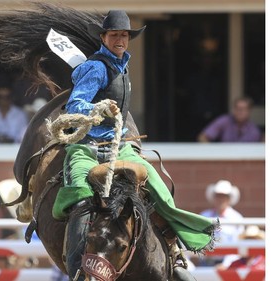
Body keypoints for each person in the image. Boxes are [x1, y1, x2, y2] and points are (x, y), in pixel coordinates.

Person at [51, 10, 218, 280]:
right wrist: (100, 109)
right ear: (104, 38)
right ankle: (79, 270)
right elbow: (75, 105)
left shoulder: (122, 65)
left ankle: (174, 256)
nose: (120, 39)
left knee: (158, 190)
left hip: (120, 147)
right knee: (80, 195)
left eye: (124, 35)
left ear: (129, 39)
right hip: (86, 147)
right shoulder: (95, 67)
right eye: (114, 34)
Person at [199, 180, 244, 267]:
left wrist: (225, 265)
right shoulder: (204, 216)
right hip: (206, 262)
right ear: (214, 198)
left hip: (229, 263)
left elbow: (237, 244)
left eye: (224, 196)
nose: (220, 199)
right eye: (218, 196)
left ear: (229, 199)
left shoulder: (236, 218)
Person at [197, 96, 262, 142]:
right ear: (233, 109)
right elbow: (202, 137)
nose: (240, 112)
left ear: (249, 111)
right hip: (225, 157)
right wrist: (212, 152)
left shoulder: (254, 130)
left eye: (243, 109)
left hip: (244, 159)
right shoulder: (224, 120)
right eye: (237, 108)